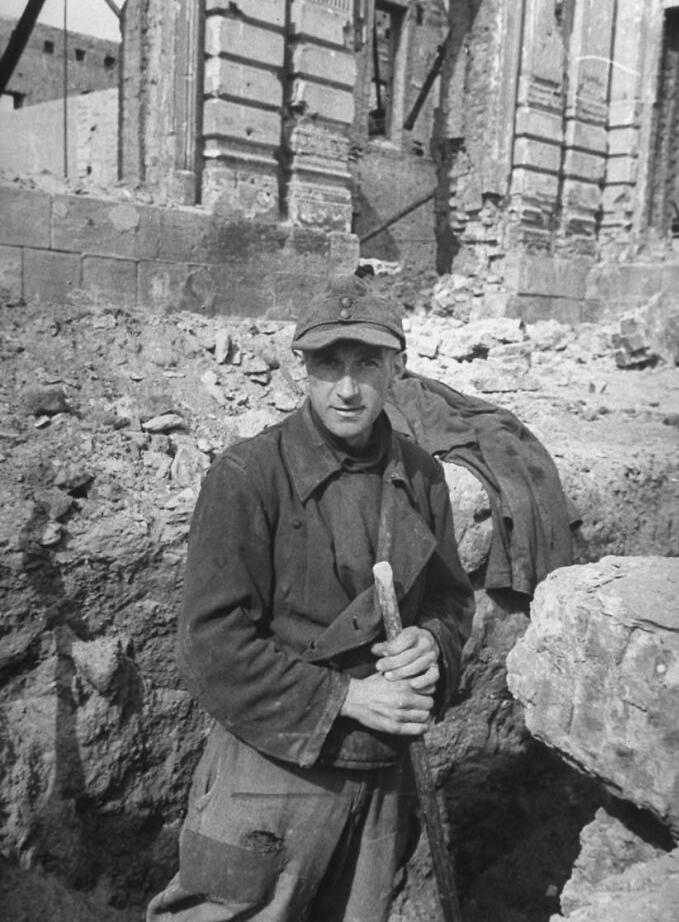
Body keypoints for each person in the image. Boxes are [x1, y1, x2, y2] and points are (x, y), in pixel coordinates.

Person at [147, 276, 474, 922]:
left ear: (397, 368)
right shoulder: (248, 477)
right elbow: (210, 647)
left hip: (384, 783)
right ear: (303, 368)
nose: (347, 388)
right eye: (328, 364)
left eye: (366, 364)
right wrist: (351, 697)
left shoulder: (423, 477)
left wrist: (431, 646)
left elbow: (451, 600)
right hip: (272, 779)